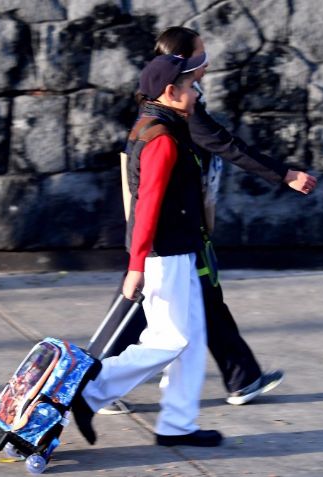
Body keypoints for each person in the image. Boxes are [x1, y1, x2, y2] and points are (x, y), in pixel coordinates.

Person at [98, 26, 318, 414]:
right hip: (170, 237)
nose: (206, 62)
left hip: (182, 230)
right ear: (175, 81)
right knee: (145, 311)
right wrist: (285, 174)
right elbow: (225, 148)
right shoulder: (175, 122)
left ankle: (240, 377)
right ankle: (94, 382)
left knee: (202, 299)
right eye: (200, 54)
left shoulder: (169, 103)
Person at [72, 53, 223, 448]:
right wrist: (136, 265)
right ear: (171, 92)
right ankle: (90, 392)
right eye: (191, 87)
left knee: (191, 337)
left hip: (179, 248)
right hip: (163, 254)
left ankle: (177, 424)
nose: (197, 94)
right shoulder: (161, 138)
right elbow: (147, 205)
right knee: (168, 340)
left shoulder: (163, 124)